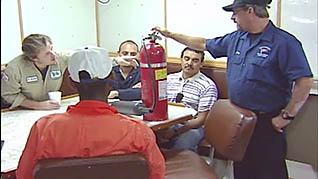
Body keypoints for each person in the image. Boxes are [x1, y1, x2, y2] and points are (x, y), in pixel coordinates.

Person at [152, 0, 314, 178]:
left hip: (266, 123)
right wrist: (170, 34)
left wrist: (286, 116)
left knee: (269, 171)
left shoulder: (284, 43)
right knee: (242, 170)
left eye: (235, 13)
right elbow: (202, 43)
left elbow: (304, 81)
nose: (233, 18)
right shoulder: (236, 39)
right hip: (239, 121)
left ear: (250, 10)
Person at [15, 46, 165, 179]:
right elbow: (156, 175)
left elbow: (23, 175)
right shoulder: (137, 131)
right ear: (111, 79)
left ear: (71, 83)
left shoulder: (43, 129)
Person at [157, 47, 218, 152]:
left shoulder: (208, 86)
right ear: (181, 60)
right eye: (186, 58)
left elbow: (201, 119)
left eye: (195, 60)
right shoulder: (168, 79)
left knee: (183, 144)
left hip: (191, 126)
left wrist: (176, 131)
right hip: (165, 122)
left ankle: (179, 167)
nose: (189, 63)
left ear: (201, 64)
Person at [1, 34, 72, 110]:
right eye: (47, 53)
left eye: (52, 49)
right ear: (34, 58)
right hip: (23, 110)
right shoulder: (15, 68)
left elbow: (80, 56)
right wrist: (37, 105)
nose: (53, 54)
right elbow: (9, 95)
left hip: (51, 106)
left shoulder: (61, 58)